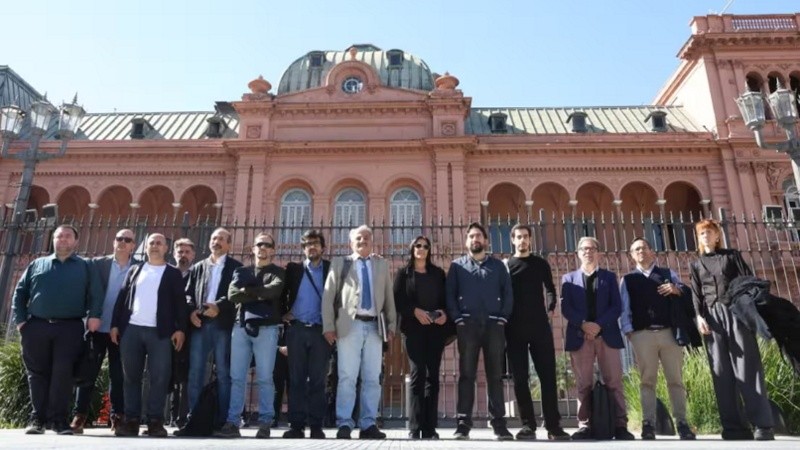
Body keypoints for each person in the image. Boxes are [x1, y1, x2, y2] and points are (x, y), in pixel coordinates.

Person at [12, 224, 103, 435]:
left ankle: (59, 420)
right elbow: (20, 293)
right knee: (36, 374)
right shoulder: (37, 264)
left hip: (69, 327)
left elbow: (96, 293)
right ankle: (37, 419)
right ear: (53, 240)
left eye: (68, 236)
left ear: (76, 241)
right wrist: (21, 321)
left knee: (63, 374)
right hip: (36, 326)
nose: (63, 240)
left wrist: (95, 316)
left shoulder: (85, 266)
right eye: (59, 236)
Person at [689, 219, 774, 441]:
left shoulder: (732, 256)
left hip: (735, 312)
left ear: (717, 236)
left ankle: (762, 425)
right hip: (712, 317)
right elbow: (696, 293)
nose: (705, 236)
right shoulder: (696, 264)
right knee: (721, 370)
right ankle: (734, 427)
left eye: (708, 232)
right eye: (701, 234)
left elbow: (748, 281)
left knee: (747, 365)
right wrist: (699, 317)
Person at [322, 225, 396, 440]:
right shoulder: (340, 263)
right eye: (358, 238)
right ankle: (345, 422)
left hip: (374, 326)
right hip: (349, 326)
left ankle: (368, 424)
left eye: (366, 238)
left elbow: (388, 297)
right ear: (350, 243)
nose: (362, 241)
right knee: (347, 377)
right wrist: (328, 326)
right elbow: (328, 297)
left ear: (372, 241)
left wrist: (391, 325)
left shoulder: (381, 264)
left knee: (372, 378)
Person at [110, 233, 187, 437]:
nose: (154, 246)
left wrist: (180, 329)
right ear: (145, 247)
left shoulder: (172, 273)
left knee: (160, 377)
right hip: (131, 330)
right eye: (151, 243)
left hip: (160, 332)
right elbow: (122, 297)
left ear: (166, 249)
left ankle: (155, 421)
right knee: (130, 377)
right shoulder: (135, 269)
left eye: (159, 243)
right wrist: (115, 325)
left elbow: (181, 304)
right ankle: (132, 420)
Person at [620, 237, 697, 440]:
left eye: (644, 248)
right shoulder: (628, 279)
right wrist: (630, 333)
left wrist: (676, 289)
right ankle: (648, 424)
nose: (641, 252)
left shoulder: (667, 274)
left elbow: (686, 293)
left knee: (676, 380)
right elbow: (624, 308)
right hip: (642, 335)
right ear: (631, 255)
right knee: (647, 381)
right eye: (636, 249)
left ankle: (682, 423)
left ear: (652, 251)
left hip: (668, 333)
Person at [560, 236, 634, 440]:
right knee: (583, 383)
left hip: (606, 335)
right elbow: (566, 308)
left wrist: (598, 325)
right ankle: (585, 425)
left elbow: (616, 307)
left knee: (614, 381)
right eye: (583, 249)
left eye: (592, 248)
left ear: (598, 253)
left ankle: (620, 425)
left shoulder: (609, 278)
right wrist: (584, 324)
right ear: (577, 253)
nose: (588, 252)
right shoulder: (568, 279)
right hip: (580, 336)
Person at [445, 222, 513, 441]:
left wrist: (502, 318)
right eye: (471, 236)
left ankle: (500, 425)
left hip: (494, 325)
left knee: (495, 376)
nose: (475, 239)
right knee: (466, 375)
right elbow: (450, 295)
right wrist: (458, 318)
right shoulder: (457, 266)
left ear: (486, 240)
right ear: (467, 241)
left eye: (479, 236)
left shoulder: (498, 266)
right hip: (468, 326)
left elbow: (508, 292)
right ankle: (463, 425)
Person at [504, 224, 570, 440]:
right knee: (520, 378)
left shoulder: (540, 264)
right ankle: (527, 426)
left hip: (540, 326)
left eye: (525, 237)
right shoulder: (507, 266)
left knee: (547, 376)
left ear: (530, 240)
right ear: (512, 240)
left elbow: (550, 289)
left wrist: (551, 308)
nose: (522, 240)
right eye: (518, 237)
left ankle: (553, 426)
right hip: (514, 328)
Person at [216, 233, 284, 439]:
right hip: (240, 326)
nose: (262, 247)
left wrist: (250, 290)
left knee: (265, 377)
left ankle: (265, 422)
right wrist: (259, 293)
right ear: (252, 248)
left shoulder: (278, 272)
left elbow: (274, 291)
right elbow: (232, 295)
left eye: (267, 245)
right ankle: (233, 421)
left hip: (267, 328)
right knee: (237, 377)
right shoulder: (241, 270)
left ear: (272, 250)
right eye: (259, 244)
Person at [70, 229, 137, 434]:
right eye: (119, 239)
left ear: (133, 245)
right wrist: (89, 315)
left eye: (128, 240)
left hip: (122, 331)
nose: (123, 243)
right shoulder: (98, 264)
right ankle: (79, 416)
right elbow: (86, 291)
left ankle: (117, 418)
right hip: (96, 327)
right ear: (113, 242)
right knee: (88, 373)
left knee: (118, 376)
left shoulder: (138, 268)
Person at [182, 228, 242, 430]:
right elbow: (188, 294)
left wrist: (219, 306)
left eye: (222, 239)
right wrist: (191, 312)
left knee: (224, 373)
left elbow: (236, 295)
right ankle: (194, 418)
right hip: (200, 324)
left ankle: (222, 420)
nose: (217, 241)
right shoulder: (198, 266)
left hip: (222, 325)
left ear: (229, 245)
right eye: (214, 238)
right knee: (195, 372)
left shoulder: (236, 267)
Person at [393, 235, 452, 440]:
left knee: (432, 376)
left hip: (435, 330)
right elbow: (397, 301)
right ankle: (415, 426)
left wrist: (444, 314)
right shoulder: (403, 274)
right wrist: (414, 311)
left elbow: (446, 299)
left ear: (429, 250)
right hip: (413, 330)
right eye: (418, 245)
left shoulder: (437, 273)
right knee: (418, 374)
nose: (421, 249)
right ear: (412, 249)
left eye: (425, 246)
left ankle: (429, 428)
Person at [281, 229, 331, 439]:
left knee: (319, 380)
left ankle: (316, 425)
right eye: (308, 244)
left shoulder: (331, 269)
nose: (312, 247)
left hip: (321, 331)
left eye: (316, 243)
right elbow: (282, 294)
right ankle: (296, 425)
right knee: (297, 379)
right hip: (298, 329)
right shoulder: (294, 269)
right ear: (303, 249)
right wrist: (283, 314)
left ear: (322, 247)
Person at [166, 238, 196, 428]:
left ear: (193, 255)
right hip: (166, 331)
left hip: (189, 331)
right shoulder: (167, 273)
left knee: (184, 376)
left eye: (187, 252)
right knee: (164, 374)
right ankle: (162, 417)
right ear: (174, 253)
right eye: (180, 251)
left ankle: (181, 417)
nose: (183, 255)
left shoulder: (197, 274)